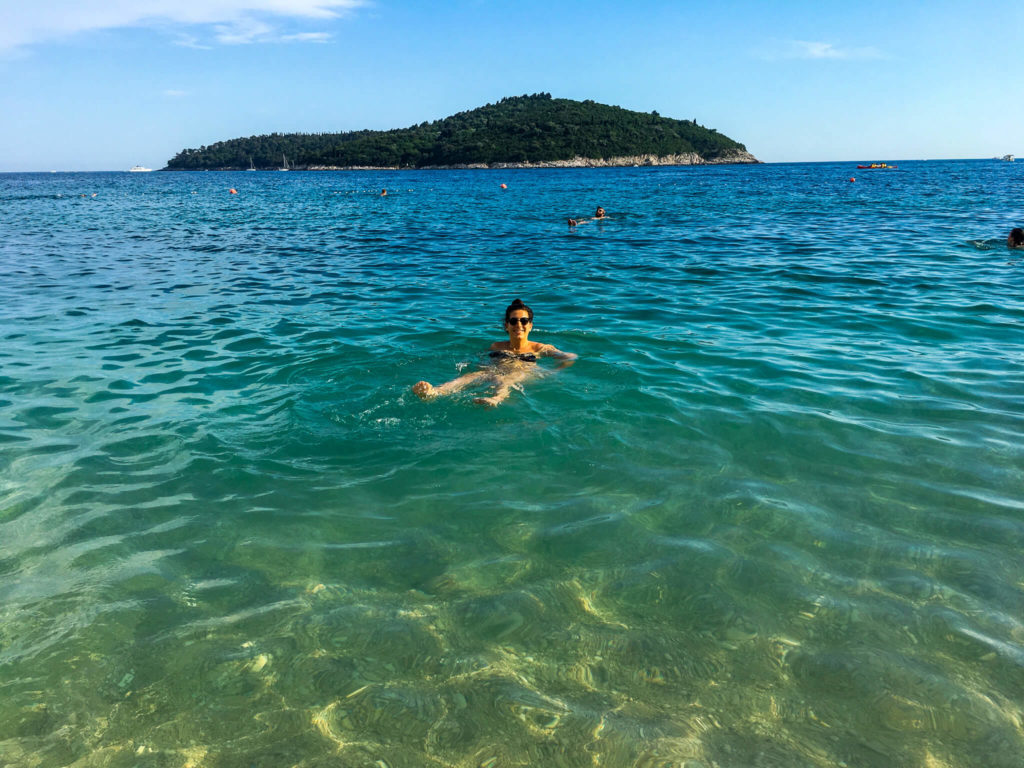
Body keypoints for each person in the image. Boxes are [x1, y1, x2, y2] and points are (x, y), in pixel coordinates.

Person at [412, 298, 577, 406]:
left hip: (521, 373)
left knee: (507, 380)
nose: (518, 324)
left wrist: (554, 371)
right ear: (507, 325)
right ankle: (436, 392)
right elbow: (480, 359)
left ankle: (496, 399)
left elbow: (568, 357)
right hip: (493, 371)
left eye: (524, 320)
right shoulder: (496, 346)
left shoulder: (540, 348)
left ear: (530, 325)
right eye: (513, 321)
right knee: (470, 377)